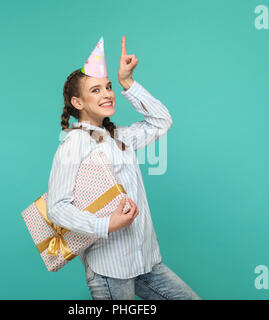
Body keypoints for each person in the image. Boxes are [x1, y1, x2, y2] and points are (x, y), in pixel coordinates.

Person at [46, 35, 201, 300]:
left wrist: (127, 82)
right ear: (77, 103)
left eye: (108, 87)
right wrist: (106, 224)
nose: (107, 94)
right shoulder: (74, 143)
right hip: (110, 269)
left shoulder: (119, 136)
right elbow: (57, 207)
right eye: (96, 90)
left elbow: (161, 121)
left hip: (146, 262)